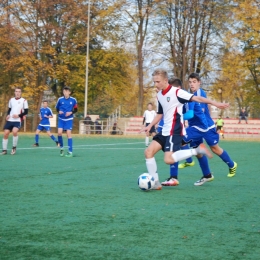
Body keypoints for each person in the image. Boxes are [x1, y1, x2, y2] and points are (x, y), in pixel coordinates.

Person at [142, 69, 228, 190]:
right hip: (165, 131)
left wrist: (215, 103)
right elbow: (160, 113)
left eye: (158, 82)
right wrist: (150, 125)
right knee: (148, 152)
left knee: (168, 159)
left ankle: (197, 150)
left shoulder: (177, 92)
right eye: (154, 82)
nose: (155, 85)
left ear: (165, 81)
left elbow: (198, 99)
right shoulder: (160, 95)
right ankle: (155, 182)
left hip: (174, 131)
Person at [161, 78, 214, 187]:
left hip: (199, 127)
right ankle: (207, 175)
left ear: (178, 88)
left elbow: (190, 115)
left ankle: (173, 178)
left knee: (175, 144)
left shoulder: (186, 96)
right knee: (198, 152)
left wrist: (174, 118)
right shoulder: (176, 97)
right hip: (195, 127)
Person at [189, 72, 237, 178]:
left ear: (199, 83)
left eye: (194, 82)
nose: (192, 84)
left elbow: (200, 110)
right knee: (197, 150)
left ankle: (232, 164)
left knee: (214, 149)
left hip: (206, 128)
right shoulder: (191, 95)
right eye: (190, 82)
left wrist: (185, 116)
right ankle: (207, 175)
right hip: (196, 127)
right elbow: (207, 108)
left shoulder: (199, 94)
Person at [1, 87, 28, 155]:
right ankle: (4, 150)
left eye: (19, 91)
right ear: (14, 92)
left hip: (18, 120)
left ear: (21, 92)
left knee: (14, 131)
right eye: (16, 91)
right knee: (5, 133)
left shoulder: (24, 100)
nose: (17, 93)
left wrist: (18, 115)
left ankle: (14, 148)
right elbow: (10, 109)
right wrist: (8, 115)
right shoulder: (11, 100)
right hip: (10, 120)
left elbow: (26, 112)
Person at [55, 86, 78, 157]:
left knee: (68, 134)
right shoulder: (60, 99)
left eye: (67, 91)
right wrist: (59, 111)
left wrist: (71, 112)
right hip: (61, 119)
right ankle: (61, 148)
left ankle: (70, 152)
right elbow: (57, 108)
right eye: (64, 91)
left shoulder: (73, 100)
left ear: (69, 92)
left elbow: (76, 109)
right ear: (63, 92)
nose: (65, 92)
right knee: (59, 133)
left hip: (69, 119)